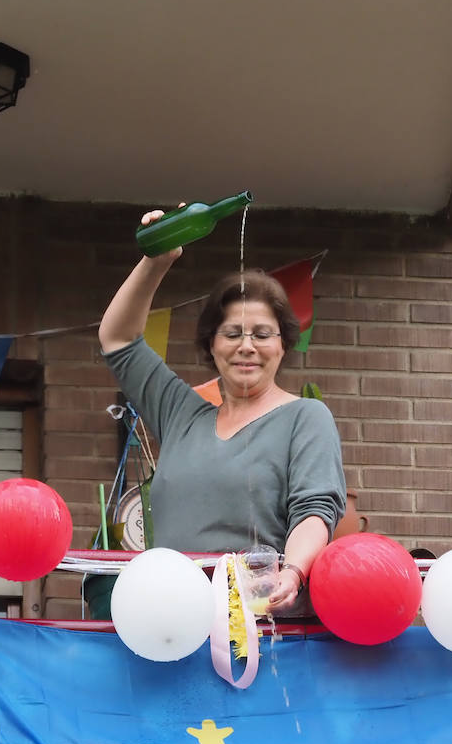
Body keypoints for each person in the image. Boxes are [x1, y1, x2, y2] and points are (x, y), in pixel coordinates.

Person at [97, 211, 345, 614]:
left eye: (262, 334)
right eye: (232, 334)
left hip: (262, 625)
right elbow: (118, 338)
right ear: (211, 344)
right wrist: (156, 260)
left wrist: (295, 571)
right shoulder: (179, 413)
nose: (247, 346)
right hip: (173, 622)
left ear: (283, 344)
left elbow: (315, 510)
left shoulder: (306, 417)